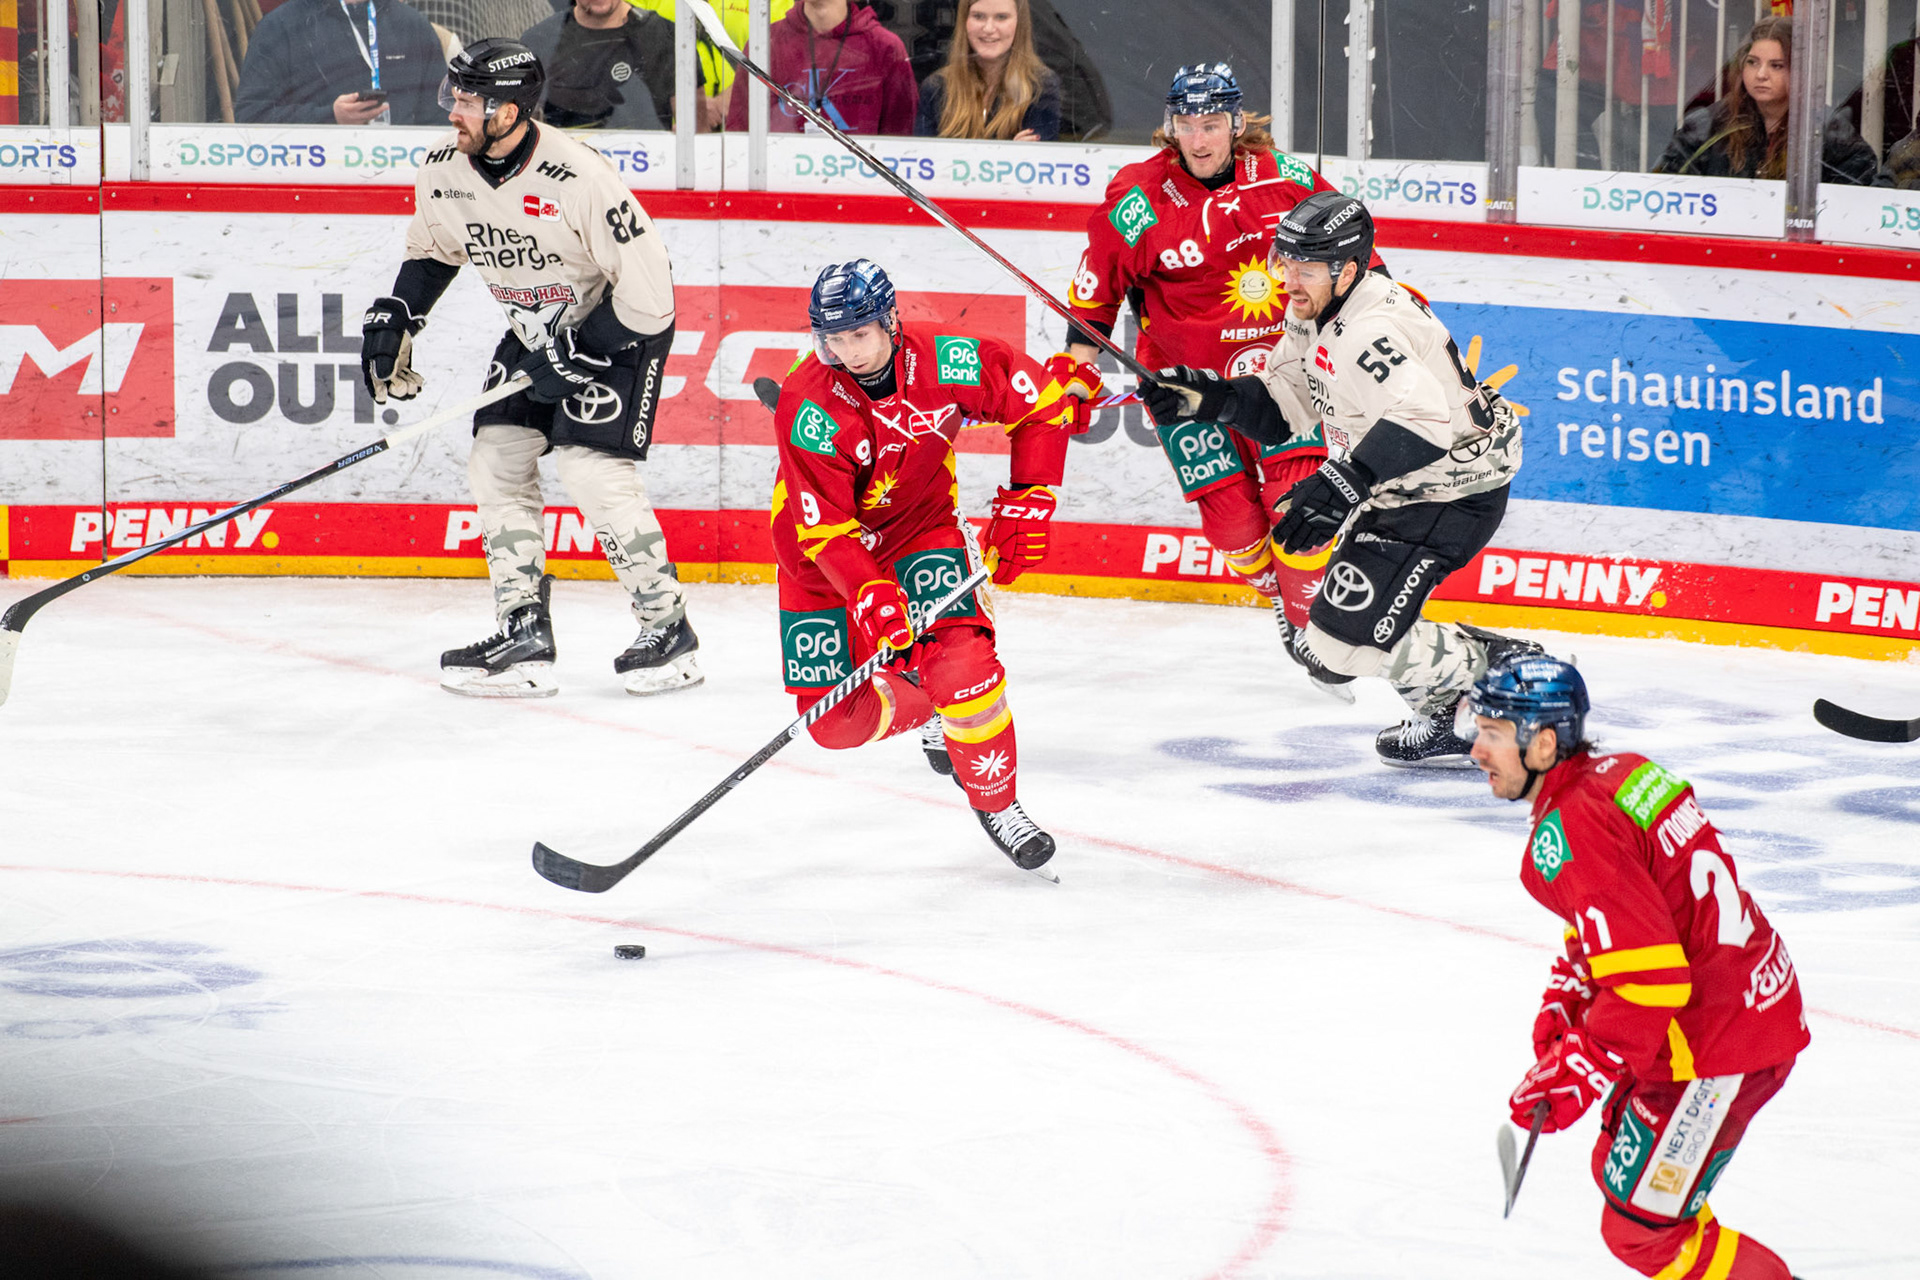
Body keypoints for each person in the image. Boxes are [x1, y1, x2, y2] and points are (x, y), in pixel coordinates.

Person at [1144, 191, 1535, 767]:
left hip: (1454, 492)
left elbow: (1424, 419)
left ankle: (1501, 665)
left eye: (1305, 268)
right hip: (1405, 485)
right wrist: (1212, 399)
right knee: (1329, 646)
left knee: (1344, 644)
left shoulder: (1369, 329)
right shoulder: (1316, 312)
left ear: (1347, 269)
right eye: (1284, 262)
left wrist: (1345, 481)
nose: (1289, 280)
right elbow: (1285, 404)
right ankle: (1445, 706)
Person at [360, 39, 697, 698]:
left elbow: (651, 296)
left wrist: (584, 349)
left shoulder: (580, 177)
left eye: (466, 101)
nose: (453, 112)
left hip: (619, 325)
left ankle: (668, 628)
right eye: (451, 97)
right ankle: (523, 629)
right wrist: (400, 314)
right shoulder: (444, 168)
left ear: (507, 111)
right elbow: (435, 251)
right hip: (535, 329)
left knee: (588, 467)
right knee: (496, 458)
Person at [1465, 654, 1808, 1280]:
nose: (1475, 750)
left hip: (1715, 1041)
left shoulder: (1567, 830)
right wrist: (1570, 996)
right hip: (1742, 1001)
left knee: (1646, 1232)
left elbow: (1653, 978)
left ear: (1543, 743)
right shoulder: (1620, 773)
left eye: (1491, 734)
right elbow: (1634, 910)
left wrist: (1584, 1063)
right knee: (1628, 1176)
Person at [768, 259, 1099, 872]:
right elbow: (827, 532)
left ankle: (998, 803)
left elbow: (1043, 405)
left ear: (891, 320)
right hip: (820, 562)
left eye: (859, 334)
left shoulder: (949, 359)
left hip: (921, 532)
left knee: (966, 668)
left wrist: (1030, 499)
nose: (847, 352)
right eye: (832, 339)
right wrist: (870, 593)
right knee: (836, 725)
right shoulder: (807, 401)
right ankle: (925, 699)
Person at [1070, 63, 1367, 700]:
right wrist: (1074, 375)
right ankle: (1283, 601)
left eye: (1212, 124)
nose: (1199, 140)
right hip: (1183, 389)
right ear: (1170, 126)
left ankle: (1312, 628)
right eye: (1186, 125)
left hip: (1284, 378)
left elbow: (1355, 259)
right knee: (1235, 530)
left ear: (1237, 122)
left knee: (1299, 509)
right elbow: (1095, 297)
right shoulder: (1137, 199)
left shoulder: (1288, 182)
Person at [1656, 16, 1887, 186]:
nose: (1761, 74)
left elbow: (1854, 203)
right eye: (1753, 62)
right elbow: (1667, 188)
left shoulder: (1830, 131)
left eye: (1776, 65)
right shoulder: (1707, 125)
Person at [236, 0, 450, 125]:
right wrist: (330, 116)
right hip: (316, 178)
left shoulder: (412, 25)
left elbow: (441, 117)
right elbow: (251, 115)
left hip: (399, 179)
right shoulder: (282, 25)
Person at [724, 0, 917, 135]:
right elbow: (739, 131)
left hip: (858, 187)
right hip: (781, 184)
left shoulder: (885, 48)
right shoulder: (765, 44)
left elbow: (900, 140)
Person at [914, 0, 1059, 141]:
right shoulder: (936, 87)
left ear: (1020, 23)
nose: (989, 29)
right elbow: (922, 156)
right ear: (964, 21)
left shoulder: (1041, 85)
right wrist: (1012, 151)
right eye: (978, 16)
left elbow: (1035, 159)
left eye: (1001, 17)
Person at [521, 0, 676, 129]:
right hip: (566, 160)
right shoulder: (538, 40)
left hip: (651, 160)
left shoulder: (663, 35)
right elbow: (525, 123)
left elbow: (695, 122)